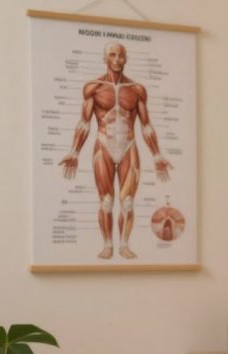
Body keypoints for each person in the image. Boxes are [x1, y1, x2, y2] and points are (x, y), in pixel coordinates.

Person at [59, 42, 173, 260]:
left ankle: (124, 245)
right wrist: (74, 151)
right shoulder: (93, 87)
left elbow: (146, 125)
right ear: (105, 58)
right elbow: (84, 123)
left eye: (121, 55)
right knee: (106, 201)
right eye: (112, 55)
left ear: (126, 58)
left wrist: (157, 154)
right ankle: (107, 244)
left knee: (128, 201)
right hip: (103, 145)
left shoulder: (137, 90)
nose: (117, 59)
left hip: (129, 146)